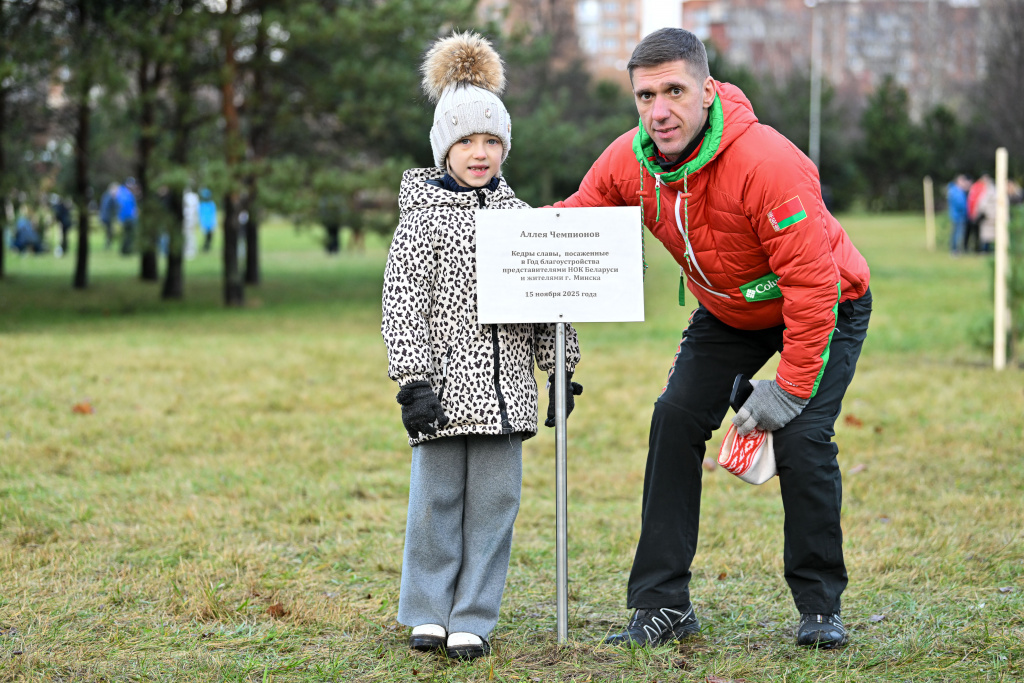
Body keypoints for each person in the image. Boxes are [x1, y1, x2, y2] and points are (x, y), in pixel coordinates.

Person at [553, 28, 871, 649]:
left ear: (706, 90)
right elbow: (576, 216)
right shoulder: (629, 159)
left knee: (802, 436)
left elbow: (812, 286)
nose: (659, 111)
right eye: (645, 96)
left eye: (674, 91)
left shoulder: (768, 163)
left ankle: (820, 607)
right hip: (729, 312)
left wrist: (789, 388)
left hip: (828, 302)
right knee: (674, 418)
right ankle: (662, 604)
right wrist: (502, 236)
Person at [381, 31, 583, 661]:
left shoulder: (521, 219)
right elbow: (403, 303)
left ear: (504, 148)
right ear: (445, 147)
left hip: (508, 396)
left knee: (494, 507)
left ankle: (472, 615)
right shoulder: (421, 220)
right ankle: (427, 610)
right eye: (466, 140)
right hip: (443, 393)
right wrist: (413, 381)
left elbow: (551, 301)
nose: (479, 152)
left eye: (491, 141)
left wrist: (560, 369)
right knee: (435, 504)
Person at [946, 174, 970, 255]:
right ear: (958, 181)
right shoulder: (956, 191)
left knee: (956, 233)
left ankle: (955, 249)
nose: (964, 183)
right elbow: (960, 204)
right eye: (962, 181)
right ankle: (954, 250)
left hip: (957, 215)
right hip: (958, 216)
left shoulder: (956, 190)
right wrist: (966, 211)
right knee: (957, 234)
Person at [117, 178, 139, 255]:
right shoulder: (124, 193)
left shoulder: (125, 193)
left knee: (128, 234)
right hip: (128, 218)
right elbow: (123, 207)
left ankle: (126, 250)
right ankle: (126, 250)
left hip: (128, 217)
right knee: (128, 234)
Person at [99, 182, 119, 250]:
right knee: (109, 231)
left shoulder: (105, 195)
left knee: (109, 231)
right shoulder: (111, 197)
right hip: (107, 217)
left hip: (104, 216)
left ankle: (108, 243)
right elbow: (115, 207)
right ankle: (108, 244)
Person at [183, 186, 199, 260]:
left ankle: (191, 250)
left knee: (190, 235)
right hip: (188, 218)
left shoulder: (193, 197)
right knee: (188, 234)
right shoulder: (194, 197)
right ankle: (188, 249)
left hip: (190, 219)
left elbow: (196, 209)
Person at [198, 188, 216, 253]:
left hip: (210, 223)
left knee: (210, 236)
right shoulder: (202, 205)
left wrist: (214, 223)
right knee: (205, 236)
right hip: (205, 223)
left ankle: (208, 246)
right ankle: (205, 246)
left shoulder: (211, 204)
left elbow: (213, 214)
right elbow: (200, 214)